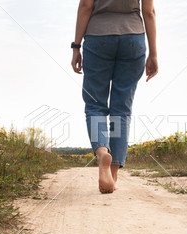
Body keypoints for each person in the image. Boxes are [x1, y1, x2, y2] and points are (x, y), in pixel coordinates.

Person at [71, 0, 158, 193]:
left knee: (95, 105)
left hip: (97, 37)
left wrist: (76, 46)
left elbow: (86, 5)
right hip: (133, 37)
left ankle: (102, 151)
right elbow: (149, 12)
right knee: (122, 109)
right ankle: (113, 175)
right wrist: (153, 53)